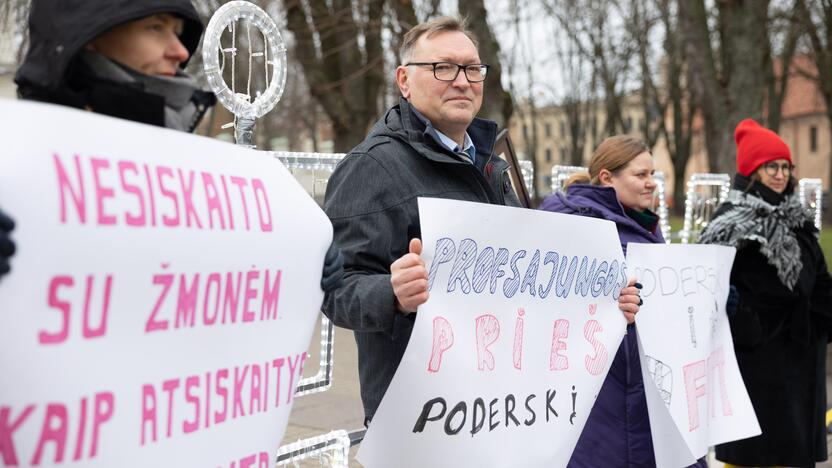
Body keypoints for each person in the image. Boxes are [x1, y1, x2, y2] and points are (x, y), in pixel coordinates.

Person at [321, 16, 642, 425]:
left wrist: (603, 300)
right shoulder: (372, 167)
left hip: (500, 411)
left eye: (473, 69)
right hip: (422, 422)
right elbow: (335, 291)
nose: (462, 81)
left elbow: (528, 280)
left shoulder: (490, 165)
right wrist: (392, 293)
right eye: (442, 67)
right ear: (404, 81)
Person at [3, 0, 343, 291]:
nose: (179, 51)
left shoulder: (182, 161)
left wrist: (293, 259)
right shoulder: (15, 158)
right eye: (155, 28)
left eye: (177, 32)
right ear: (89, 36)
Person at [539, 135, 705, 468]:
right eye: (641, 175)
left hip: (646, 387)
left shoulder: (642, 224)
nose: (651, 184)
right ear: (606, 178)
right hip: (606, 393)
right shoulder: (573, 225)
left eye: (653, 174)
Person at [699, 119, 832, 468]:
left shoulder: (797, 218)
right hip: (757, 363)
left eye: (786, 167)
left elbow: (819, 276)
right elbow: (716, 286)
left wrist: (820, 324)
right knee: (757, 454)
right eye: (771, 166)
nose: (780, 174)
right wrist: (751, 328)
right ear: (752, 171)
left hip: (803, 357)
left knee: (795, 453)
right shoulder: (732, 221)